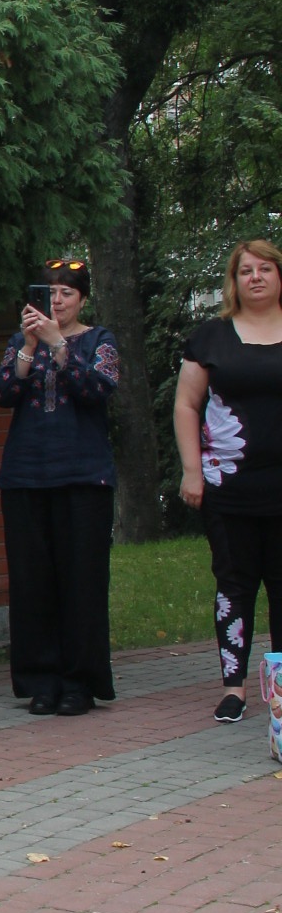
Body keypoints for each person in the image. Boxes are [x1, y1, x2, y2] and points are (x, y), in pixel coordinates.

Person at [0, 257, 118, 716]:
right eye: (50, 293)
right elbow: (0, 392)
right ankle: (40, 681)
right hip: (26, 475)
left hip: (83, 477)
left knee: (82, 581)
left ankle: (80, 682)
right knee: (32, 582)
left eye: (67, 293)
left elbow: (97, 389)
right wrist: (28, 345)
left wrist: (58, 344)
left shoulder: (99, 340)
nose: (57, 301)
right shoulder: (20, 342)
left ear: (82, 299)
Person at [173, 235, 282, 724]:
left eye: (265, 268)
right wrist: (192, 470)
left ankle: (280, 689)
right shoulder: (211, 337)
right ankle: (233, 689)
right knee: (234, 583)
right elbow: (186, 404)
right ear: (234, 281)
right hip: (228, 485)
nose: (255, 277)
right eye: (246, 270)